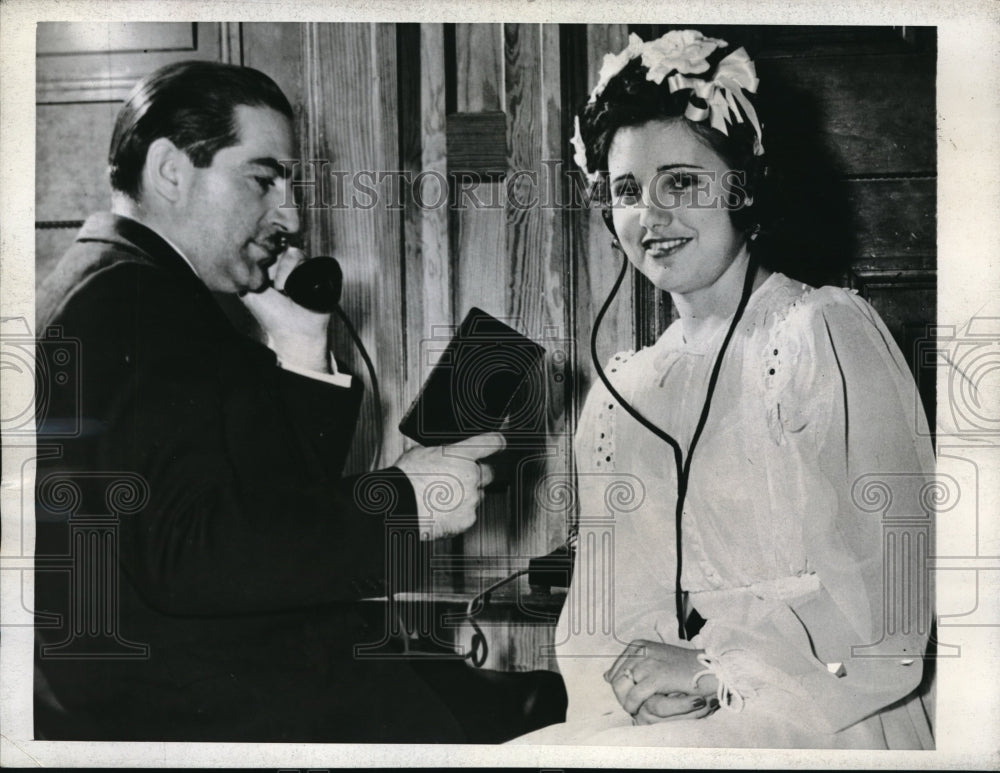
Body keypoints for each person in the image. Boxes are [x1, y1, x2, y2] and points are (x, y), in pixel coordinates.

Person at [33, 60, 563, 743]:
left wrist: (300, 347)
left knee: (508, 698)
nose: (290, 214)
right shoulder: (138, 300)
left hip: (198, 678)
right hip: (198, 703)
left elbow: (255, 510)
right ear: (170, 170)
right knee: (541, 712)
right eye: (263, 179)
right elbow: (189, 553)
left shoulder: (115, 280)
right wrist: (402, 503)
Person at [513, 30, 935, 748]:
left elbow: (893, 601)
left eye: (681, 181)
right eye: (626, 191)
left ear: (746, 187)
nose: (652, 216)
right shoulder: (626, 391)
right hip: (702, 714)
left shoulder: (821, 334)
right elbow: (607, 616)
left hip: (835, 708)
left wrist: (715, 667)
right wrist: (641, 691)